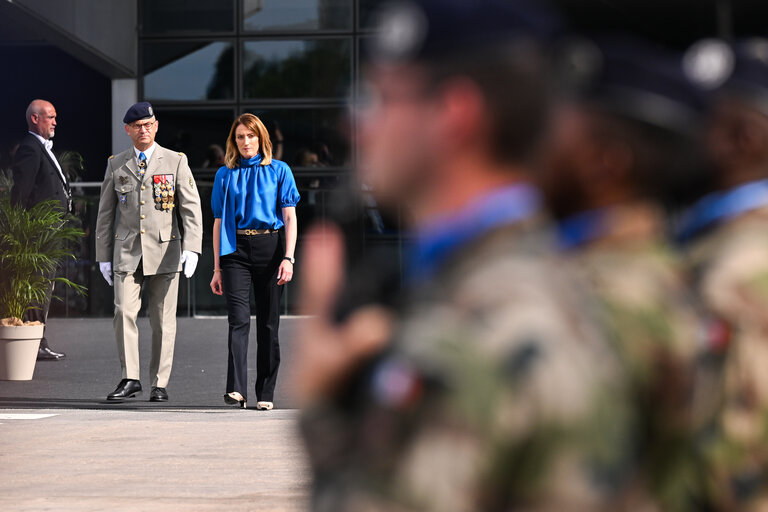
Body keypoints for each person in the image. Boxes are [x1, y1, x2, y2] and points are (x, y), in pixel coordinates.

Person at [296, 1, 644, 510]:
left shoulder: (469, 334)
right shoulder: (562, 281)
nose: (355, 126)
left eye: (374, 98)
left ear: (454, 113)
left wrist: (321, 406)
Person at [540, 37, 721, 509]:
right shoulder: (644, 273)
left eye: (549, 132)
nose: (529, 151)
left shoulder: (608, 299)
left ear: (606, 164)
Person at [677, 38, 768, 509]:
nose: (670, 136)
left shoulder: (741, 263)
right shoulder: (711, 244)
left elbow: (729, 461)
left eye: (691, 121)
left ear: (743, 139)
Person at [95, 102, 203, 402]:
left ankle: (159, 382)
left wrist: (193, 247)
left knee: (163, 320)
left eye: (148, 124)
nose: (143, 130)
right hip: (127, 251)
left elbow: (190, 207)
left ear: (156, 126)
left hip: (165, 250)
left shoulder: (175, 161)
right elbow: (105, 213)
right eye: (137, 126)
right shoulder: (117, 164)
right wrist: (103, 254)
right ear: (127, 130)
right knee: (123, 313)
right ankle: (130, 378)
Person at [209, 113, 300, 411]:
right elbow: (218, 222)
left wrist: (289, 257)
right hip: (235, 250)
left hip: (271, 248)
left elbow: (289, 217)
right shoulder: (225, 174)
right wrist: (217, 268)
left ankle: (266, 392)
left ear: (261, 138)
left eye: (250, 136)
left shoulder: (279, 170)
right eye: (239, 137)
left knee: (269, 325)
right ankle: (236, 389)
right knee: (238, 320)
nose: (245, 142)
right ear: (233, 142)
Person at [11, 99, 71, 361]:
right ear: (35, 119)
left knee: (45, 286)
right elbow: (21, 193)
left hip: (49, 231)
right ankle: (35, 341)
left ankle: (38, 340)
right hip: (39, 233)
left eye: (55, 117)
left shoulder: (41, 147)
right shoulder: (30, 148)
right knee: (40, 285)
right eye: (50, 117)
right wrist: (20, 232)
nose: (55, 122)